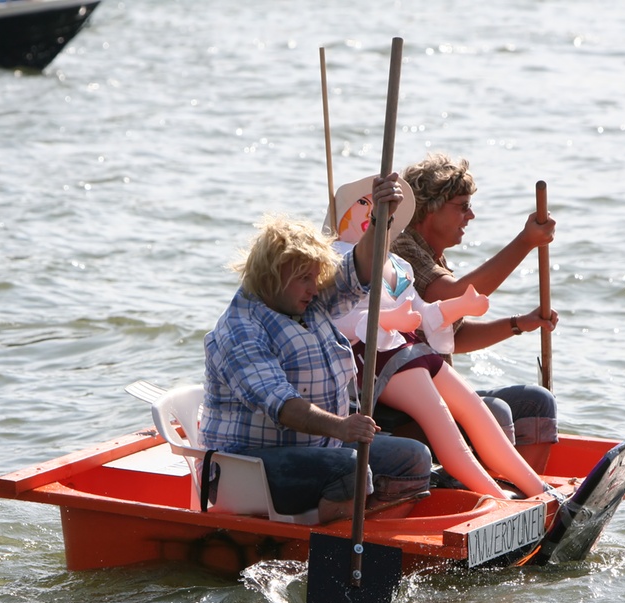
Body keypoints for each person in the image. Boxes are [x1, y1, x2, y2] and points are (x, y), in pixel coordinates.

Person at [200, 174, 432, 523]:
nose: (314, 286)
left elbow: (359, 270)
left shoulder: (304, 300)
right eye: (305, 277)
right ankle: (332, 547)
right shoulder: (240, 330)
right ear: (272, 276)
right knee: (349, 468)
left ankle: (363, 523)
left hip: (321, 449)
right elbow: (283, 406)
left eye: (315, 276)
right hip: (250, 466)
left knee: (414, 458)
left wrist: (382, 219)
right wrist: (341, 427)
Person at [328, 176, 546, 498]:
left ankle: (537, 489)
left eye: (380, 208)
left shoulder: (397, 265)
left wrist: (460, 305)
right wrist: (388, 319)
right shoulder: (334, 261)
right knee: (440, 418)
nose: (371, 212)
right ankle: (498, 498)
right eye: (363, 204)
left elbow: (425, 313)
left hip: (410, 351)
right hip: (372, 360)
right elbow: (335, 321)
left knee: (474, 407)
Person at [389, 153, 560, 474]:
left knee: (537, 401)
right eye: (462, 206)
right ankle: (495, 497)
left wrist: (519, 324)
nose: (471, 216)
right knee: (495, 411)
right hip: (405, 409)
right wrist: (525, 242)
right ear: (430, 207)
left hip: (441, 392)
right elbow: (457, 295)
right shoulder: (402, 248)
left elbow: (457, 336)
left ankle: (525, 503)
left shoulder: (435, 259)